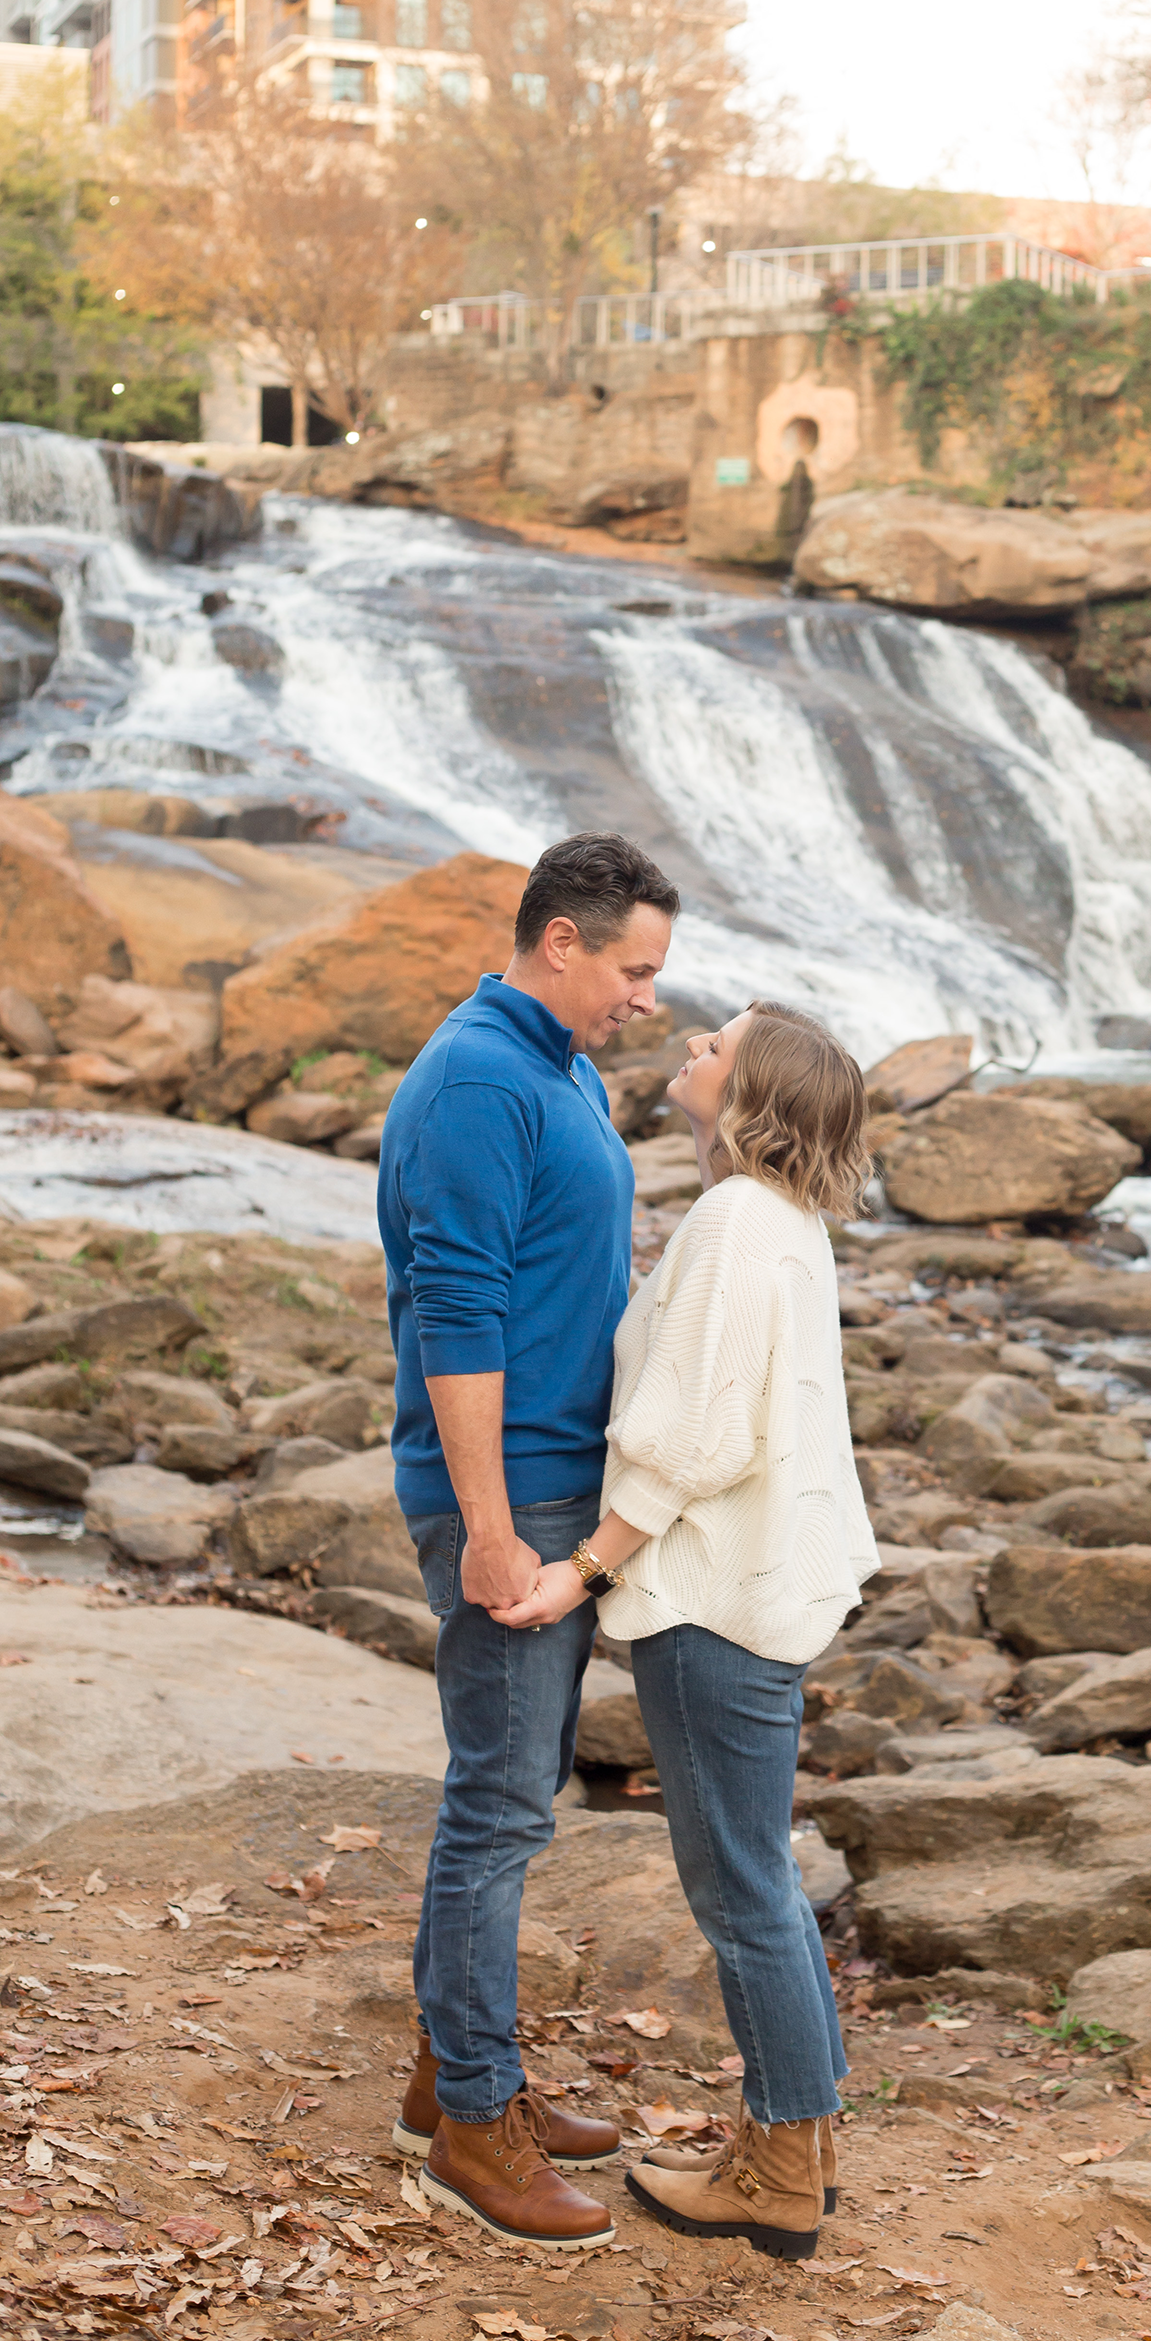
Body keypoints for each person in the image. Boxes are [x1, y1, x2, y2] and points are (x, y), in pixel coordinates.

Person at [492, 999, 878, 2263]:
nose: (690, 1047)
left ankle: (777, 2169)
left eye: (717, 1044)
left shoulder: (731, 1221)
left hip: (718, 1604)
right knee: (758, 1881)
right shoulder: (788, 1223)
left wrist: (585, 1570)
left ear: (754, 1093)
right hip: (768, 1590)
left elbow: (697, 1440)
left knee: (744, 1890)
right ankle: (795, 2150)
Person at [379, 830, 679, 2252]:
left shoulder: (552, 1064)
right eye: (633, 969)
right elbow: (459, 1315)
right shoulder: (478, 1080)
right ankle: (475, 2133)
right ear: (561, 940)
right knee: (499, 1803)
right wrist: (492, 1530)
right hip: (515, 1496)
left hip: (563, 1480)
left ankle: (452, 2079)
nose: (648, 1000)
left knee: (516, 1788)